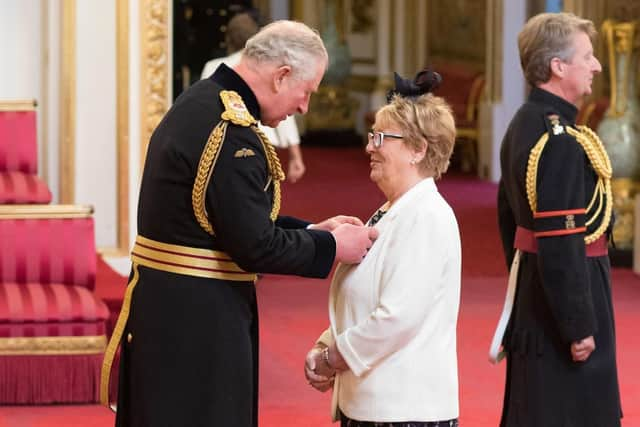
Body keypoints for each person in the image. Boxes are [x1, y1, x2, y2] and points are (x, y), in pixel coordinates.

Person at [100, 20, 378, 427]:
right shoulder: (231, 131)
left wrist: (313, 232)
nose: (304, 107)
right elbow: (254, 245)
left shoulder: (205, 102)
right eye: (307, 92)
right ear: (282, 76)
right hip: (196, 321)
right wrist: (334, 248)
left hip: (172, 308)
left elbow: (228, 218)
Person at [304, 70, 461, 427]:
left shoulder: (428, 217)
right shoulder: (394, 209)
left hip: (405, 412)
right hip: (375, 406)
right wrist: (323, 345)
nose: (369, 147)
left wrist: (332, 358)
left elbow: (397, 318)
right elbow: (365, 299)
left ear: (418, 149)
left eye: (381, 138)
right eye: (372, 135)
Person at [494, 12, 622, 427]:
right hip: (566, 301)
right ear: (558, 66)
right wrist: (578, 325)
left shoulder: (522, 124)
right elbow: (562, 240)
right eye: (587, 56)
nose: (596, 66)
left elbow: (508, 223)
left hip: (536, 290)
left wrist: (531, 283)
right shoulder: (560, 140)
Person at [202, 12, 306, 183]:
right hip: (263, 144)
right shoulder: (270, 67)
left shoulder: (213, 67)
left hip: (223, 148)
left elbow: (205, 113)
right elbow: (285, 113)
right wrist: (296, 156)